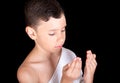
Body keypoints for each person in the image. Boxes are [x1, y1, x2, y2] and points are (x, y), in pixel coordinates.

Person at [17, 0, 97, 83]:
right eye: (52, 33)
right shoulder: (27, 73)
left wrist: (88, 77)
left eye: (63, 30)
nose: (61, 39)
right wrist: (66, 80)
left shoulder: (70, 55)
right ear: (32, 33)